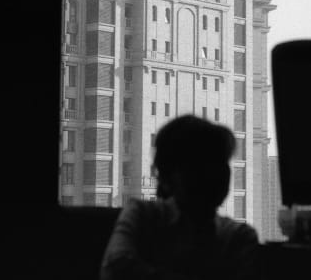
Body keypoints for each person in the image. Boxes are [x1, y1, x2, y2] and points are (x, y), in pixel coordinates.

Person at [100, 115, 259, 280]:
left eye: (220, 163)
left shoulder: (239, 237)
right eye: (199, 166)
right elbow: (115, 269)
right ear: (167, 174)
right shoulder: (141, 215)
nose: (213, 175)